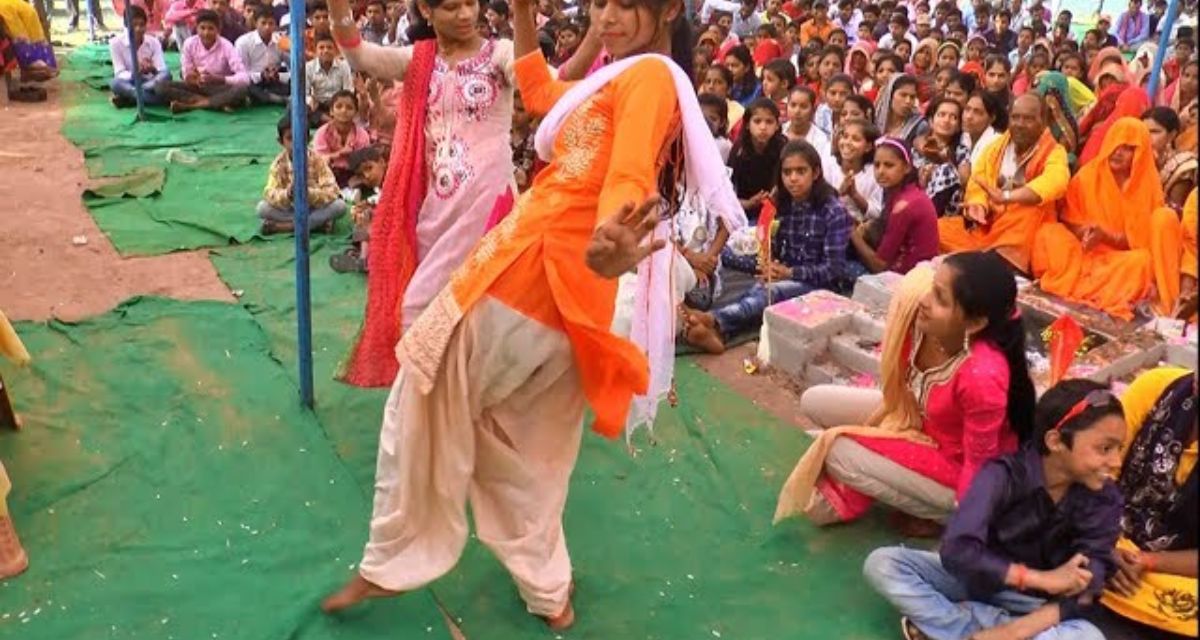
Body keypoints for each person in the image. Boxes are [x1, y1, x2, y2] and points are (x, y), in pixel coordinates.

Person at [320, 0, 746, 624]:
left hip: (528, 270)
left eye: (628, 5)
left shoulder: (650, 77)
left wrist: (610, 238)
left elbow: (629, 172)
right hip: (568, 296)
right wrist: (522, 11)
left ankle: (392, 559)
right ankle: (549, 593)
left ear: (668, 10)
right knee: (529, 447)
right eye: (602, 3)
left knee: (422, 381)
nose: (610, 16)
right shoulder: (614, 73)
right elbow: (543, 94)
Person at [775, 251, 1034, 534]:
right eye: (931, 287)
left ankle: (939, 516)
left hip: (958, 467)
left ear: (974, 324)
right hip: (919, 420)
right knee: (815, 401)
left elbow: (978, 468)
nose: (924, 300)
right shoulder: (921, 321)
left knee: (834, 451)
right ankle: (885, 468)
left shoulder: (981, 374)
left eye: (940, 298)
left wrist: (965, 527)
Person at [863, 378, 1125, 640]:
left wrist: (1015, 630)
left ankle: (959, 626)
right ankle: (971, 628)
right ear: (1056, 441)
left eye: (1119, 449)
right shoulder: (1003, 475)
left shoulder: (1104, 498)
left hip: (1036, 607)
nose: (1115, 461)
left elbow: (1090, 584)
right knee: (884, 564)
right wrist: (1039, 578)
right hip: (979, 582)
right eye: (1105, 448)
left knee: (1088, 637)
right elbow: (957, 549)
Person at [682, 140, 850, 354]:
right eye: (787, 172)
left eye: (801, 171)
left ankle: (714, 320)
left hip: (822, 286)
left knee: (770, 291)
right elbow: (778, 249)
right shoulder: (784, 203)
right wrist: (773, 267)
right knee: (756, 285)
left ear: (816, 173)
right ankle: (717, 333)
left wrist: (789, 272)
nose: (793, 179)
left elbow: (834, 271)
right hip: (787, 275)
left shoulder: (833, 211)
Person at [1084, 367, 1199, 640]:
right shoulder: (1157, 389)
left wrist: (1147, 560)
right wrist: (1104, 543)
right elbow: (1090, 472)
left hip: (1171, 578)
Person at [1032, 117, 1184, 319]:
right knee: (1048, 233)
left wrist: (1107, 237)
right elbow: (1069, 219)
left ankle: (1086, 286)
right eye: (1115, 144)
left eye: (1127, 148)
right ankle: (1091, 286)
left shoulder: (1148, 184)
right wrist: (1085, 232)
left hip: (1120, 261)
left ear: (1140, 153)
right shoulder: (1088, 175)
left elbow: (1143, 242)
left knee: (1143, 263)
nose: (1117, 152)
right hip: (1084, 254)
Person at [939, 94, 1070, 274]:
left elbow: (1056, 181)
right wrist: (979, 205)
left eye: (1028, 119)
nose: (1020, 124)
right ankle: (985, 260)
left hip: (1023, 226)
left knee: (1029, 209)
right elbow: (979, 179)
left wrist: (1007, 197)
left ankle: (996, 264)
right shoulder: (997, 146)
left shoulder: (1054, 151)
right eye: (1015, 117)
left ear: (1043, 121)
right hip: (989, 224)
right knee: (939, 229)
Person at [849, 137, 938, 275]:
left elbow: (880, 266)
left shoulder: (904, 205)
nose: (881, 171)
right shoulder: (906, 191)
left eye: (889, 165)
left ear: (907, 167)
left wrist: (852, 233)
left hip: (906, 279)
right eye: (877, 165)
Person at [257, 118, 347, 235]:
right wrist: (287, 194)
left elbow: (332, 191)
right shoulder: (278, 164)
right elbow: (269, 193)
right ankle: (315, 225)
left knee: (340, 206)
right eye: (290, 138)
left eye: (300, 138)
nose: (296, 143)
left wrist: (309, 193)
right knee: (262, 208)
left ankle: (287, 227)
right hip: (291, 209)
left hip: (315, 207)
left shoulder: (317, 160)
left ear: (308, 140)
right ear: (281, 141)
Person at [157, 10, 250, 113]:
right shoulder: (189, 44)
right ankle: (216, 103)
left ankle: (192, 106)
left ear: (218, 30)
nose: (206, 33)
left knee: (242, 89)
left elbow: (244, 77)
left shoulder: (226, 46)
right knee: (160, 87)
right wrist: (191, 77)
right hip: (197, 87)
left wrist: (220, 79)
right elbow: (186, 72)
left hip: (219, 87)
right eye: (202, 28)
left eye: (211, 28)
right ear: (196, 28)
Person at [330, 146, 387, 273]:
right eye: (361, 175)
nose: (367, 176)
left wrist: (369, 205)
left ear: (382, 162)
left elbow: (388, 199)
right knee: (363, 215)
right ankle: (363, 256)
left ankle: (365, 258)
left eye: (369, 168)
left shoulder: (394, 179)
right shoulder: (379, 188)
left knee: (368, 216)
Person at [729, 97, 786, 222]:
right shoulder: (739, 151)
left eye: (769, 122)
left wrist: (778, 194)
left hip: (779, 212)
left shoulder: (784, 148)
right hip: (744, 213)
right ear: (748, 124)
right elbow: (728, 195)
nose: (763, 127)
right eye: (757, 121)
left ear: (777, 125)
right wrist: (749, 203)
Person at [913, 97, 970, 217]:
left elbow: (964, 179)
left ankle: (925, 219)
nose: (946, 120)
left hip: (944, 212)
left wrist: (944, 161)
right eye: (941, 115)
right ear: (930, 121)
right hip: (915, 200)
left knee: (947, 171)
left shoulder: (961, 150)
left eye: (953, 117)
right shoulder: (917, 148)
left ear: (959, 126)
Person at [108, 5, 170, 107]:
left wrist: (152, 68)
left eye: (141, 25)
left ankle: (131, 98)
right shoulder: (115, 43)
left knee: (167, 75)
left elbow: (161, 69)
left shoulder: (153, 42)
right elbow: (119, 72)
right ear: (126, 25)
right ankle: (147, 97)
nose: (138, 29)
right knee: (115, 83)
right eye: (134, 25)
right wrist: (135, 73)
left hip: (151, 82)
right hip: (130, 82)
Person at [784, 85, 842, 186]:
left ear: (813, 110)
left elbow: (824, 173)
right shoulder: (779, 132)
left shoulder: (821, 140)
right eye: (793, 105)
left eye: (803, 107)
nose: (797, 111)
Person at [1144, 106, 1198, 212]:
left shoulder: (1183, 167)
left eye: (1154, 131)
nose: (1147, 136)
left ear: (1171, 135)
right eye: (1143, 130)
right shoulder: (1134, 158)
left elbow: (1173, 212)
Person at [313, 90, 372, 187]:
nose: (344, 111)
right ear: (331, 111)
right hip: (330, 171)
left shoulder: (362, 134)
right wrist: (339, 154)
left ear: (355, 113)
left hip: (353, 172)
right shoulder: (322, 133)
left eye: (349, 108)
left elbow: (365, 162)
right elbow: (319, 160)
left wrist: (353, 156)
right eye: (339, 106)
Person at [234, 7, 289, 105]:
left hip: (275, 82)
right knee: (243, 87)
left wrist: (277, 75)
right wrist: (261, 75)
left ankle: (271, 98)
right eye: (263, 23)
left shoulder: (281, 41)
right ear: (255, 24)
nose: (267, 27)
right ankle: (280, 100)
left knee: (297, 83)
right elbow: (242, 74)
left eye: (271, 23)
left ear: (276, 25)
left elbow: (293, 70)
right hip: (253, 83)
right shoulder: (243, 42)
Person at [835, 117, 884, 225]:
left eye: (855, 139)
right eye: (845, 136)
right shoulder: (828, 164)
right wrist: (839, 193)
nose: (847, 142)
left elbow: (877, 213)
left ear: (868, 147)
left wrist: (854, 195)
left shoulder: (874, 174)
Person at [305, 32, 353, 124]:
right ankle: (331, 121)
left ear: (335, 50)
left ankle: (329, 120)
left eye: (329, 47)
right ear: (316, 51)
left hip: (338, 104)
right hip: (317, 105)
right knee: (296, 105)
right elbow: (304, 93)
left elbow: (348, 90)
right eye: (321, 47)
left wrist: (339, 106)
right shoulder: (308, 67)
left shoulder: (344, 66)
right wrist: (310, 100)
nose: (326, 51)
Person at [875, 74, 929, 147]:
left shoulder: (919, 126)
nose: (908, 101)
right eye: (903, 95)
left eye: (912, 97)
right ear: (890, 95)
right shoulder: (875, 121)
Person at [962, 90, 1002, 167]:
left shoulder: (997, 143)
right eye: (967, 109)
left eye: (977, 112)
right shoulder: (961, 136)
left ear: (992, 118)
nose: (969, 116)